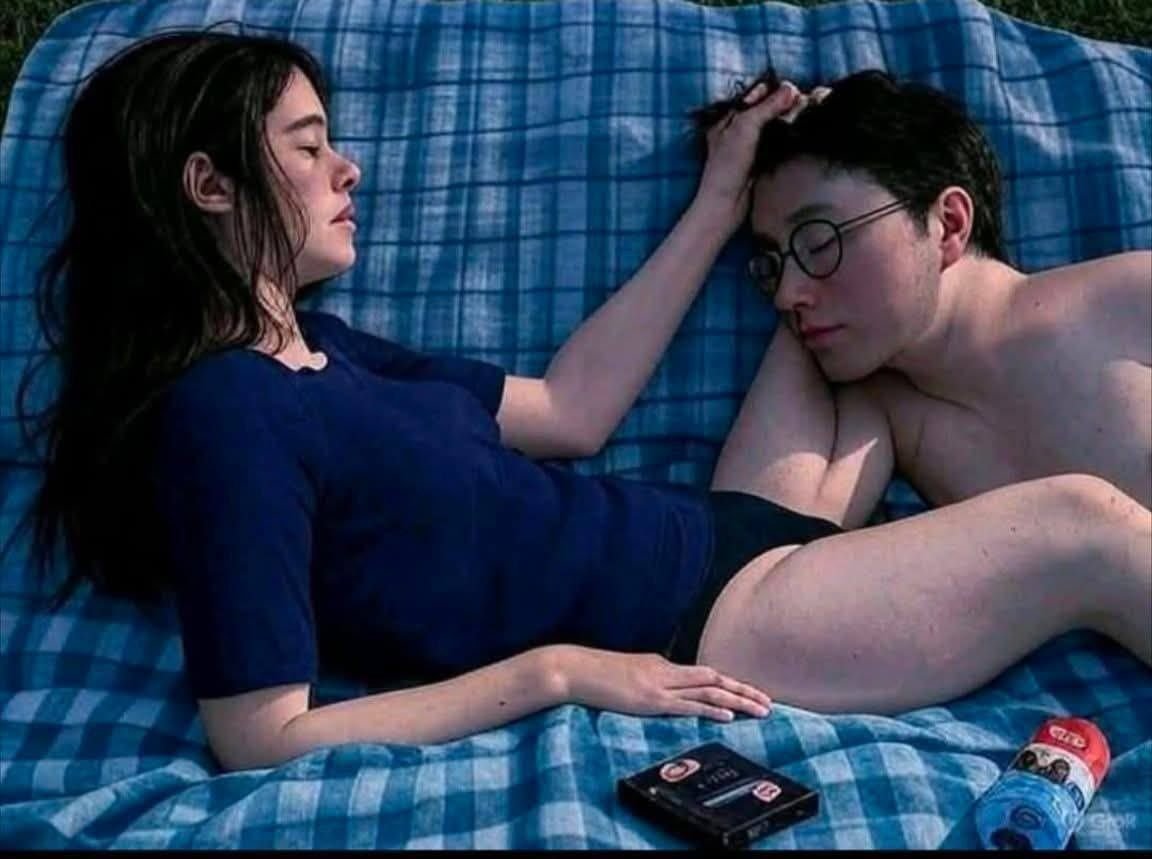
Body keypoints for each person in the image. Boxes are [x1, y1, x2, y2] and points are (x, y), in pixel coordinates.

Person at [14, 31, 1147, 773]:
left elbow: (572, 409)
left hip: (722, 534)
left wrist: (729, 193)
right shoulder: (225, 413)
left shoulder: (328, 352)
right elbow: (259, 734)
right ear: (209, 185)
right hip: (716, 622)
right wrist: (557, 673)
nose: (348, 168)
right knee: (1084, 525)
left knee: (861, 323)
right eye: (310, 148)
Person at [683, 68, 1150, 711]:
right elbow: (742, 574)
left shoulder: (1128, 300)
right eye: (770, 266)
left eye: (821, 240)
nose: (786, 296)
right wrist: (786, 261)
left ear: (948, 223)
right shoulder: (882, 410)